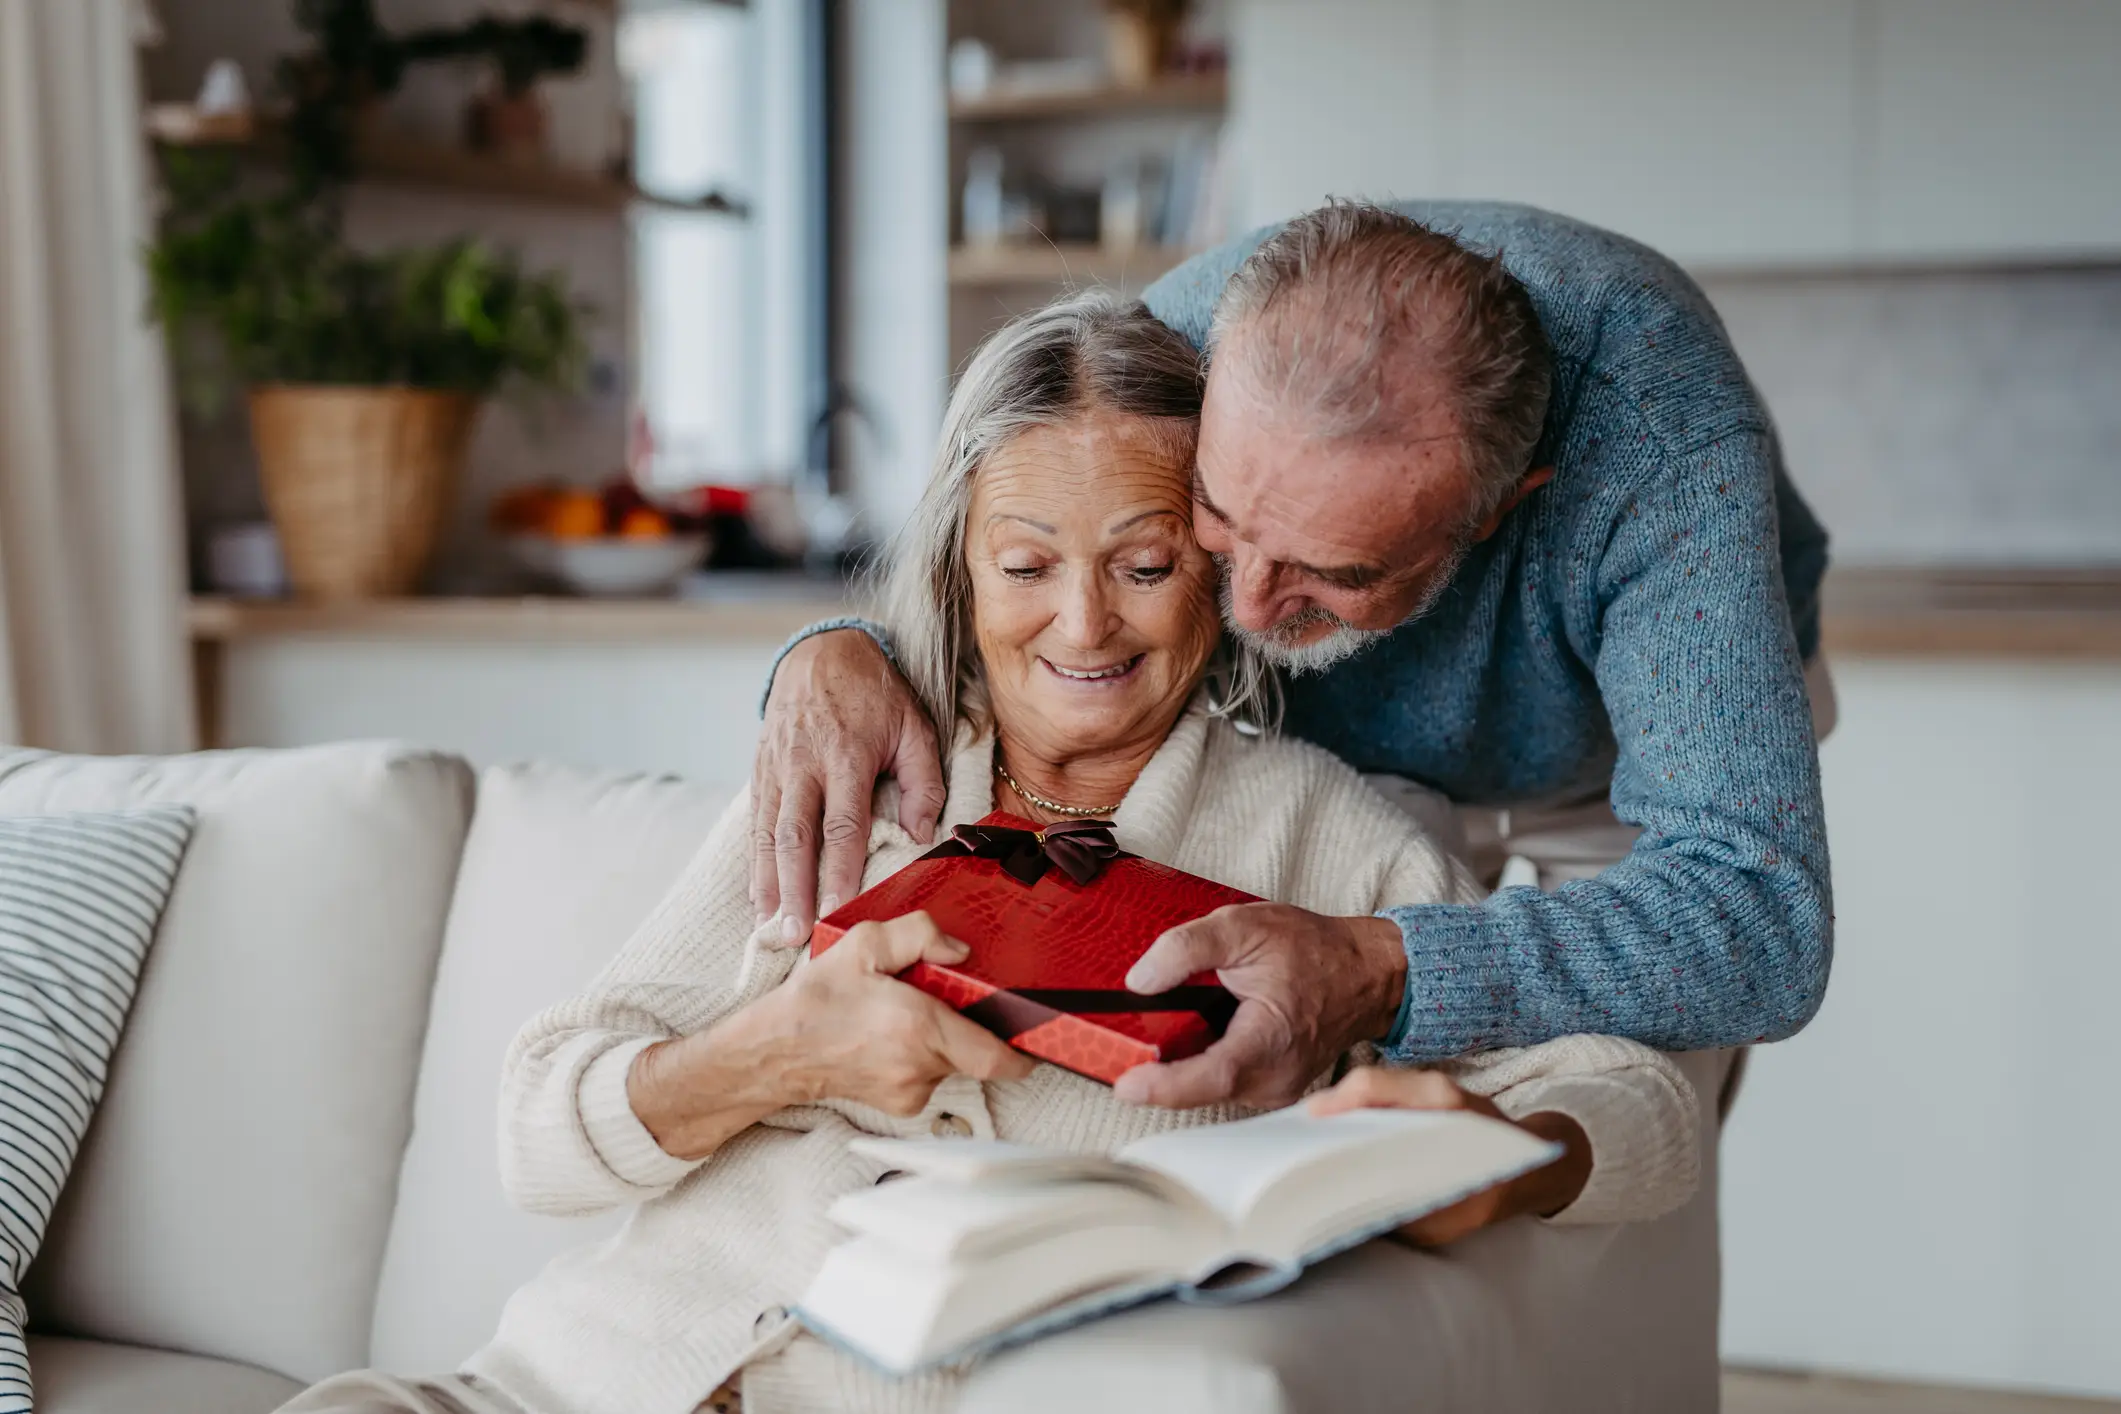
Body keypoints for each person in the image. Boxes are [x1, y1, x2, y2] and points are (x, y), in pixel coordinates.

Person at [275, 291, 1699, 1414]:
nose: (1082, 628)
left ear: (1216, 557)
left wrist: (1502, 1152)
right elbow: (538, 1127)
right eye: (1026, 566)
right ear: (960, 563)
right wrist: (783, 1051)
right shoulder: (855, 772)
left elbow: (1639, 1098)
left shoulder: (1324, 843)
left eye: (1143, 564)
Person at [752, 199, 1836, 1109]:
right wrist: (841, 645)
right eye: (1219, 520)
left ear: (1506, 505)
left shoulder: (1662, 439)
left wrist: (1382, 966)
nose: (1252, 606)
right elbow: (1017, 552)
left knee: (1620, 1125)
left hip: (1619, 777)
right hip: (1347, 762)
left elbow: (1755, 914)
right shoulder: (1183, 340)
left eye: (1337, 572)